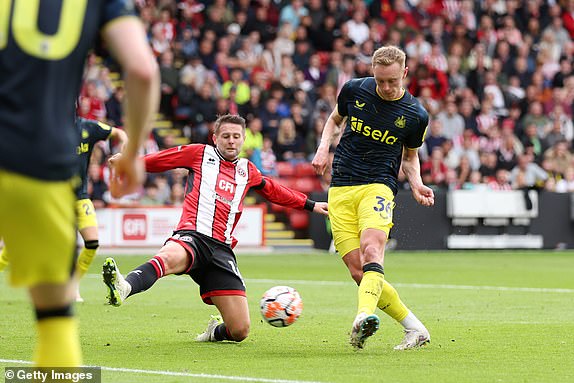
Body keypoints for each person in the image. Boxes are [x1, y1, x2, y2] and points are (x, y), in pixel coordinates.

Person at [0, 1, 159, 367]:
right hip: (39, 160)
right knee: (54, 321)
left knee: (88, 240)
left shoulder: (89, 128)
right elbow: (142, 69)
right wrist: (134, 150)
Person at [102, 114, 328, 343]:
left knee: (240, 330)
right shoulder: (199, 153)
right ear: (215, 138)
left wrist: (310, 205)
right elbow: (160, 160)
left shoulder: (247, 170)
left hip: (221, 250)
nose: (231, 141)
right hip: (192, 235)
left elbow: (273, 190)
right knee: (169, 257)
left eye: (236, 136)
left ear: (243, 139)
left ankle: (214, 332)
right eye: (226, 136)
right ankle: (125, 286)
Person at [312, 46, 434, 350]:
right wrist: (323, 148)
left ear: (404, 73)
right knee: (358, 272)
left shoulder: (415, 115)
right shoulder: (354, 90)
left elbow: (409, 157)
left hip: (378, 185)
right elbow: (333, 120)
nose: (386, 87)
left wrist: (417, 184)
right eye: (381, 81)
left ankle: (362, 318)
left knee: (371, 249)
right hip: (341, 186)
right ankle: (415, 328)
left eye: (392, 81)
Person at [0, 117, 128, 303]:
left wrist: (123, 151)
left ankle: (72, 286)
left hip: (79, 198)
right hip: (49, 197)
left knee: (92, 243)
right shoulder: (45, 127)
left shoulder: (89, 127)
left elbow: (120, 134)